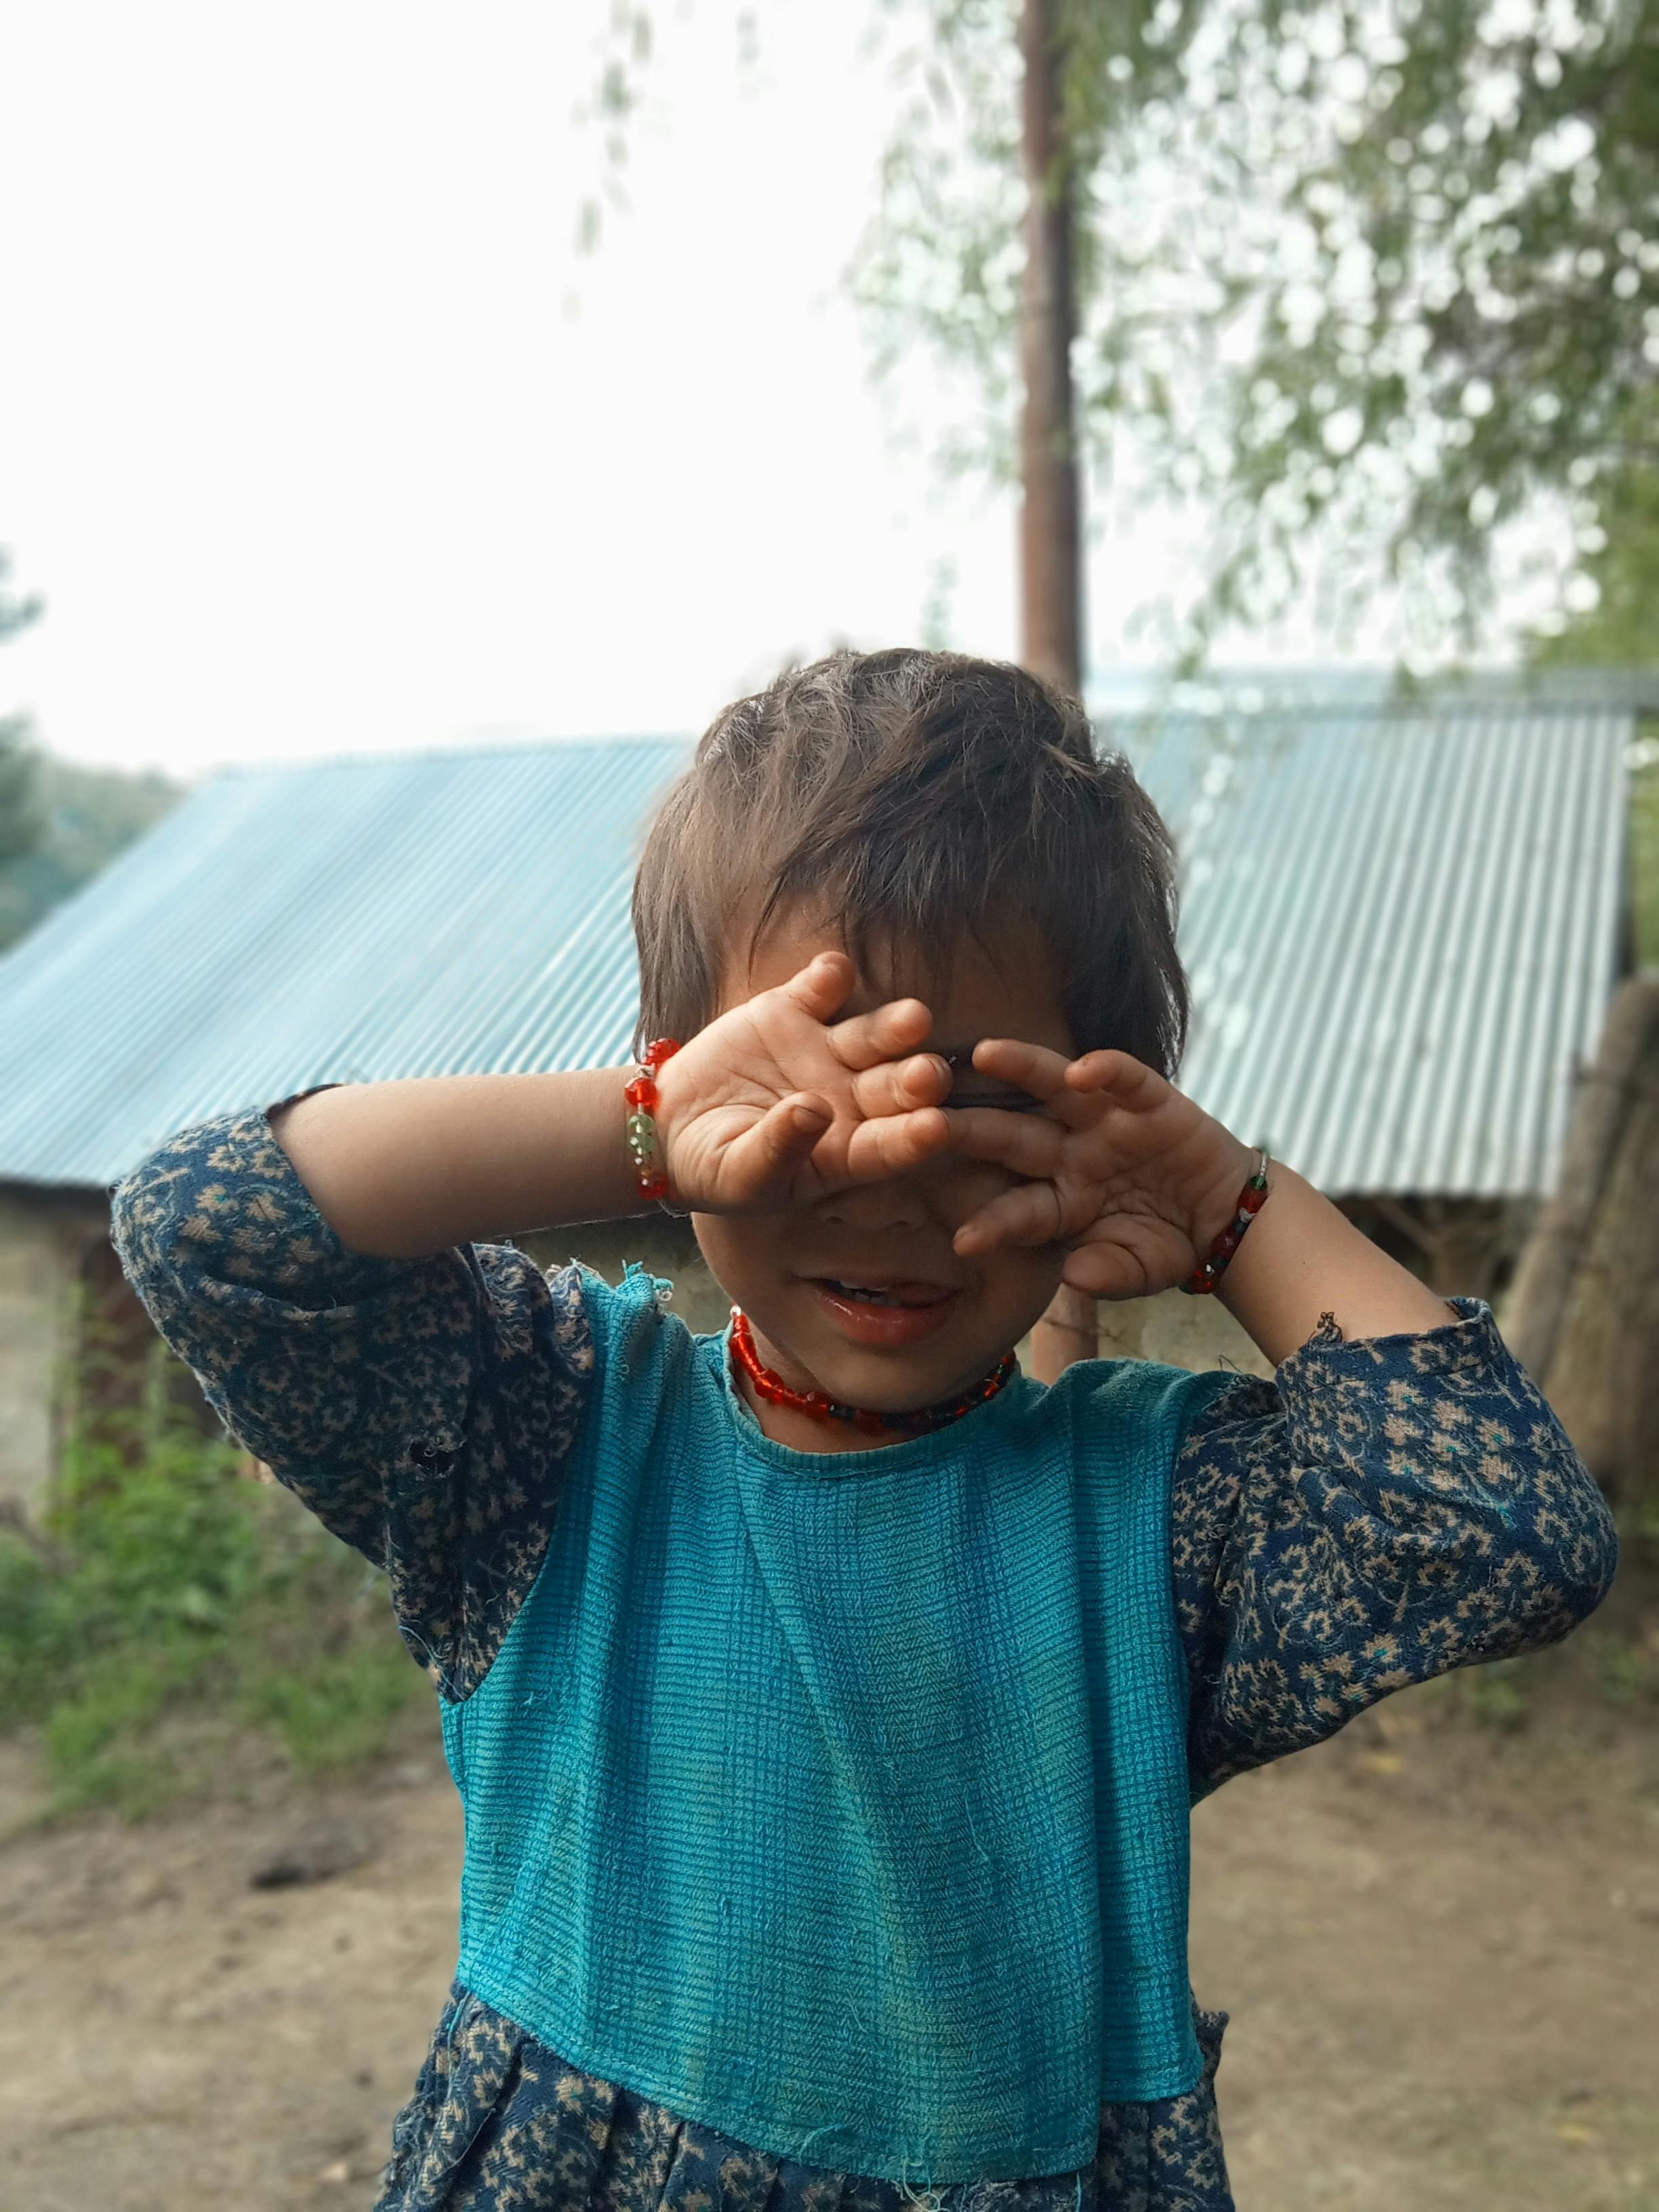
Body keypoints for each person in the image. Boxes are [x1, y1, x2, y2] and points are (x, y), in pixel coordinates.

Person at [111, 649, 1617, 2212]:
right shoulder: (554, 1444)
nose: (889, 1189)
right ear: (688, 1091)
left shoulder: (1152, 1520)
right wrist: (638, 1127)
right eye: (809, 1106)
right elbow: (209, 1224)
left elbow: (1504, 1531)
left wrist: (1234, 1208)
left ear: (1105, 1118)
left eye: (972, 1107)